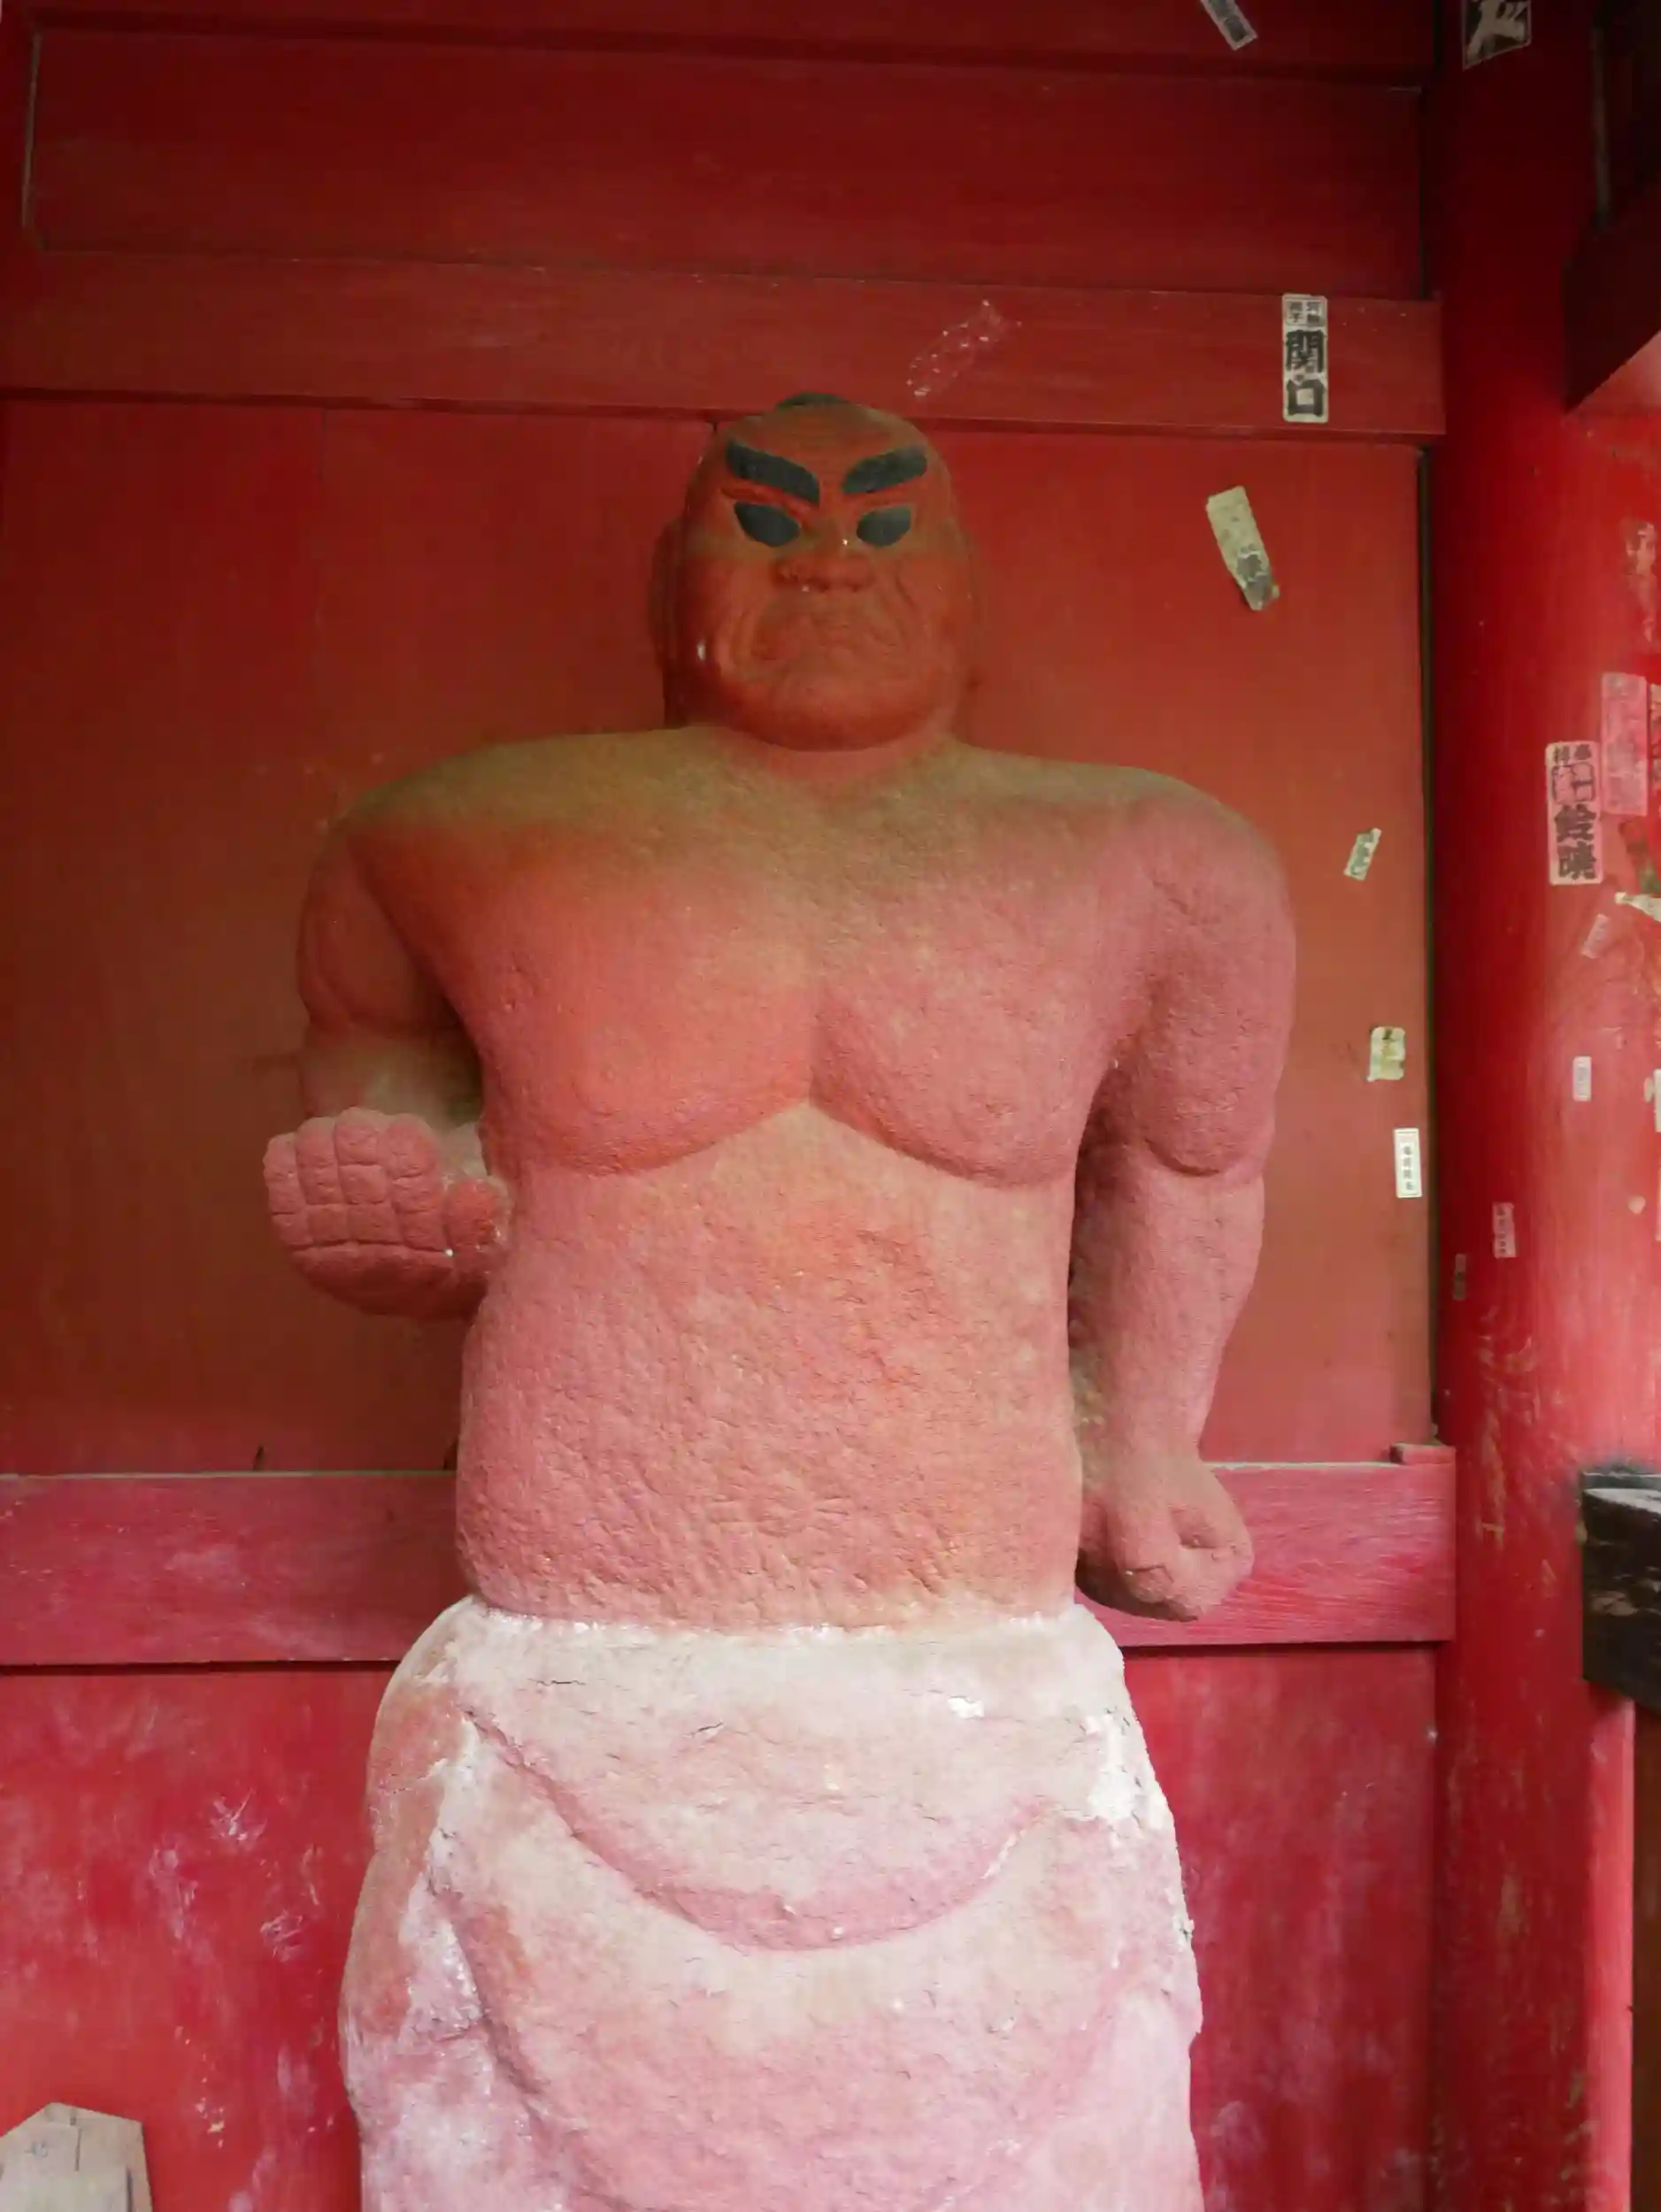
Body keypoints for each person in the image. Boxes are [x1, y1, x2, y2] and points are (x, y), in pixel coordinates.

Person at [266, 395, 1294, 2212]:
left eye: (884, 520)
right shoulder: (459, 843)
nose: (827, 557)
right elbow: (385, 1093)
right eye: (769, 519)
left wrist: (1145, 1442)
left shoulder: (1156, 872)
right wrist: (400, 1188)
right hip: (587, 1621)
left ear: (967, 595)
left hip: (966, 1625)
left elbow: (1186, 1171)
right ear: (668, 585)